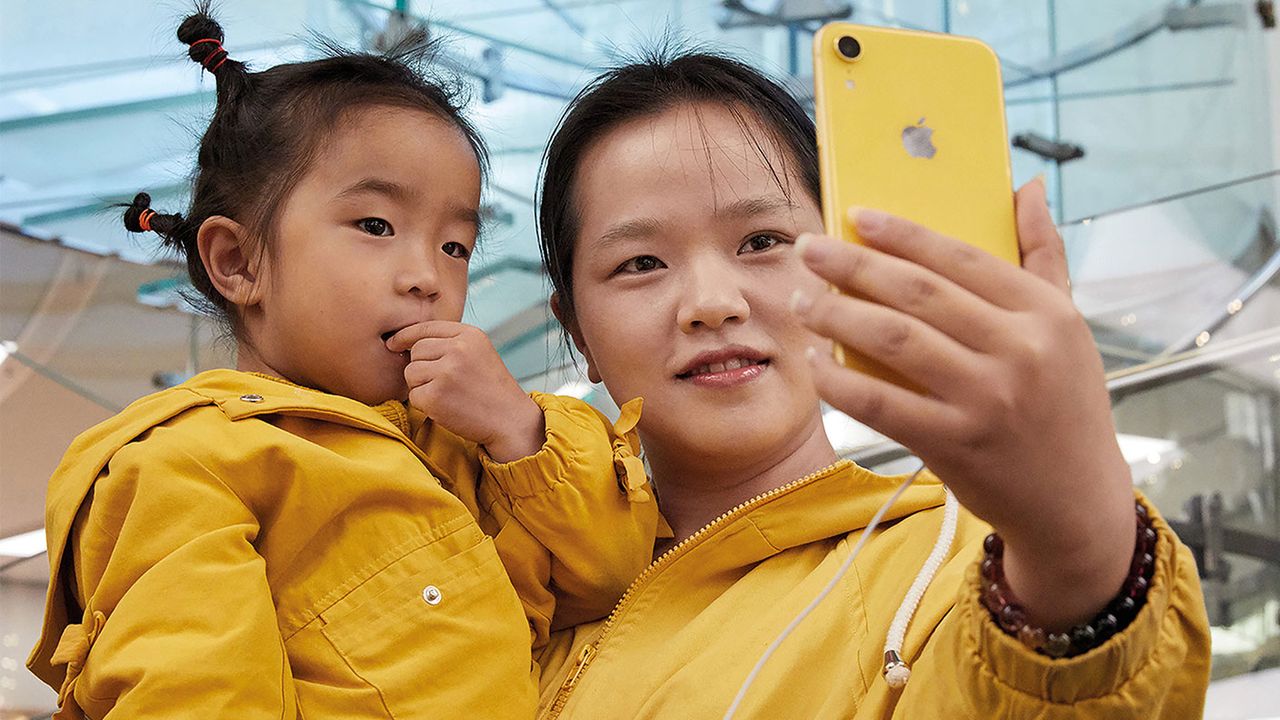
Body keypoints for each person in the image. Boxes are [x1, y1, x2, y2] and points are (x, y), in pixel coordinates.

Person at [532, 51, 1211, 718]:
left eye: (763, 240)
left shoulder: (971, 568)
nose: (713, 302)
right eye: (641, 262)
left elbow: (1048, 687)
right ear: (579, 331)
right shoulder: (516, 591)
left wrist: (1074, 539)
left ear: (841, 264)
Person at [26, 10, 658, 719]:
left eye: (455, 245)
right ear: (238, 262)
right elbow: (194, 697)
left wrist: (519, 434)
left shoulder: (463, 447)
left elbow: (612, 579)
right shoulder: (186, 465)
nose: (427, 276)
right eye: (375, 226)